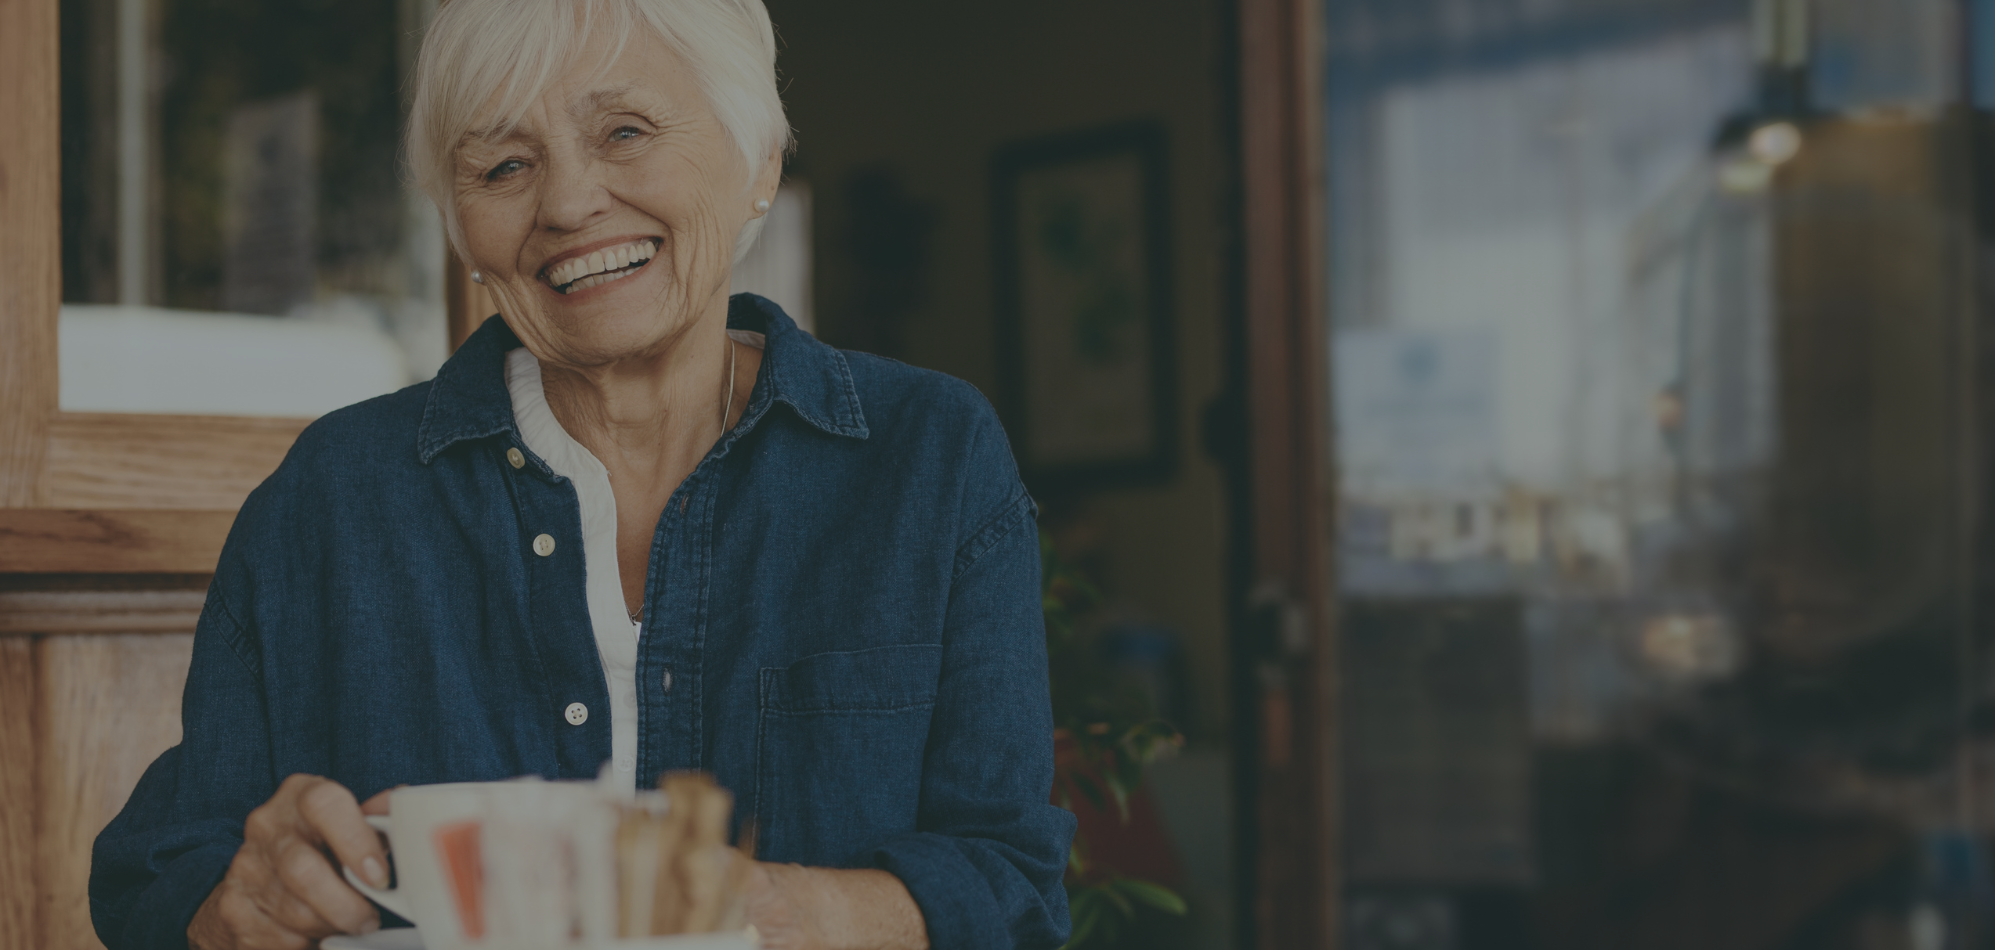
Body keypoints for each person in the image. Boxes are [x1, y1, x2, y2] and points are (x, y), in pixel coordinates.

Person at [88, 2, 1074, 948]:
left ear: (758, 162)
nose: (566, 202)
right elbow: (158, 875)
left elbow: (1009, 878)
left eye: (627, 132)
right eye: (504, 164)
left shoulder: (928, 457)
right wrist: (235, 902)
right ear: (460, 224)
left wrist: (786, 910)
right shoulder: (335, 493)